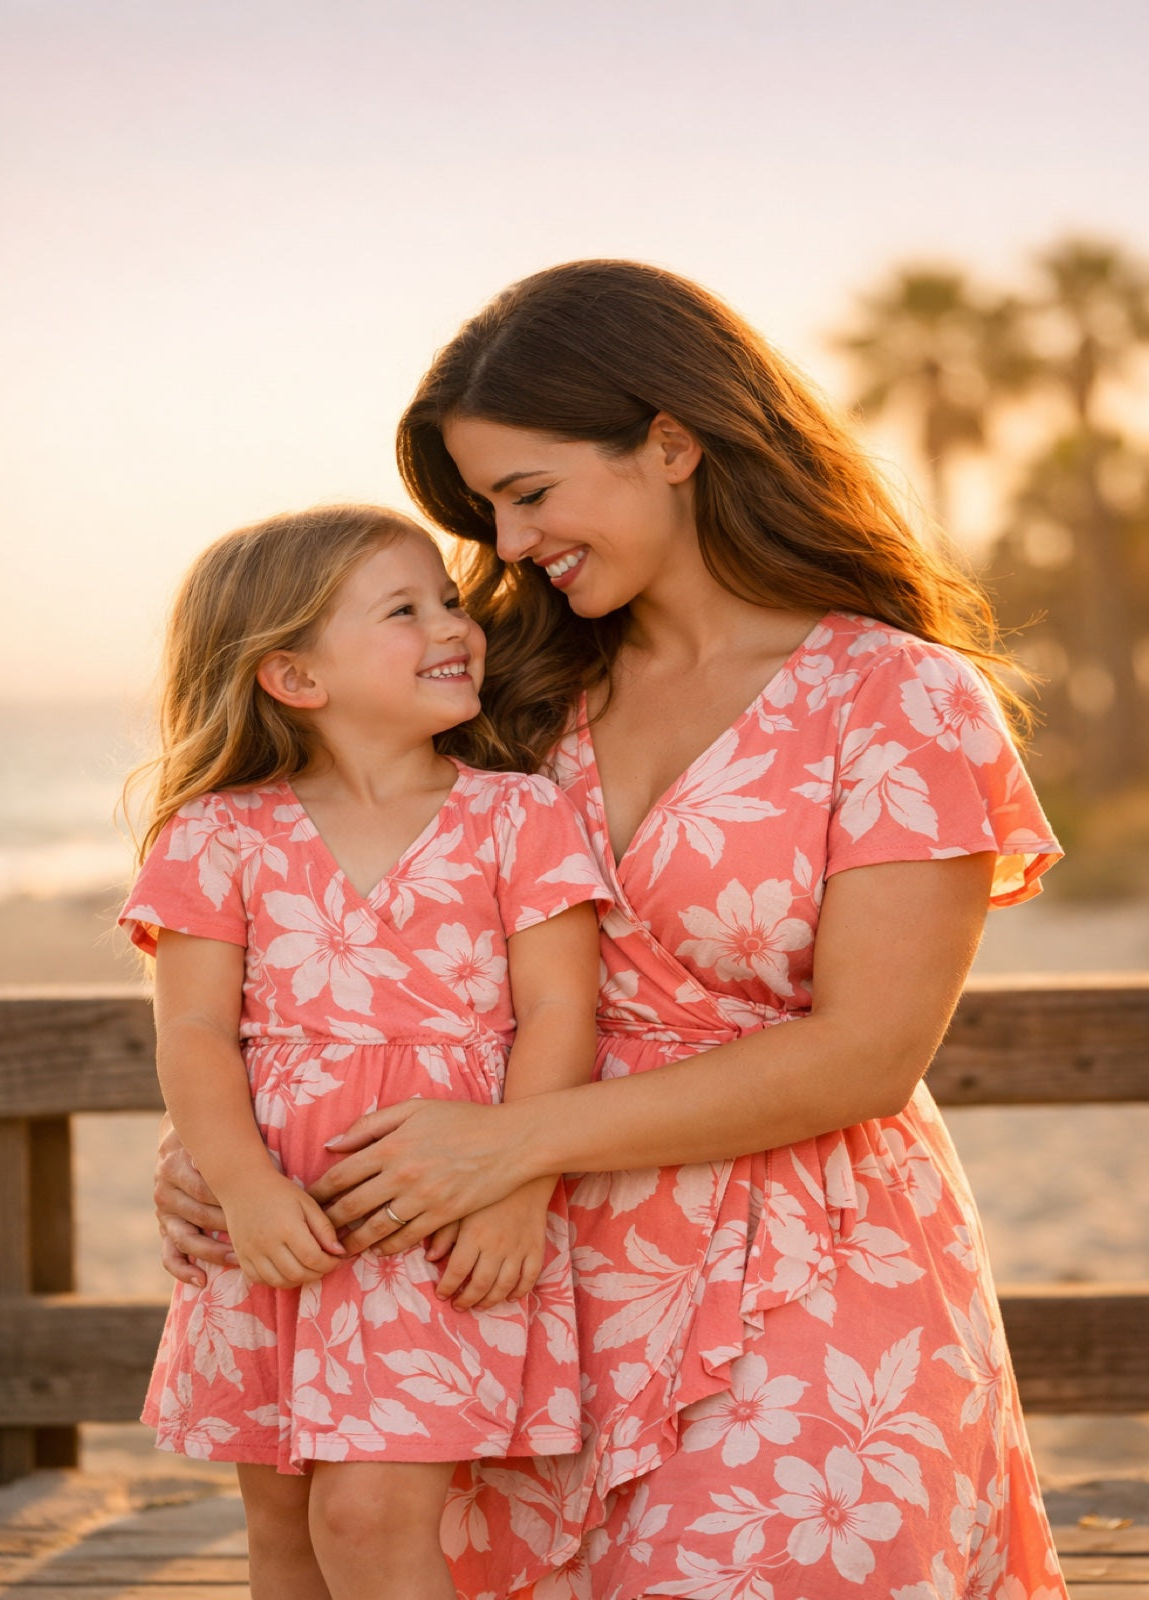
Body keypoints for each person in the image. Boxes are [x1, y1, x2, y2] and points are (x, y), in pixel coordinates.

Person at [156, 263, 1069, 1600]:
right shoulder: (506, 686)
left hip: (798, 1272)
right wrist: (233, 1154)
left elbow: (869, 1052)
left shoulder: (897, 701)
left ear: (673, 442)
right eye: (486, 511)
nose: (509, 543)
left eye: (529, 493)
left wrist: (515, 1145)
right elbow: (338, 924)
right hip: (497, 1291)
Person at [121, 503, 609, 1600]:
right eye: (404, 610)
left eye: (448, 598)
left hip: (439, 1218)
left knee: (371, 1516)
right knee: (284, 1530)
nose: (453, 625)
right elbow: (192, 1032)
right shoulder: (219, 832)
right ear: (295, 676)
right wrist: (243, 1187)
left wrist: (515, 1185)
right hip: (276, 1220)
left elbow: (559, 1012)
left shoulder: (519, 816)